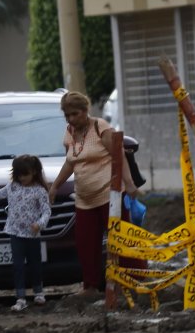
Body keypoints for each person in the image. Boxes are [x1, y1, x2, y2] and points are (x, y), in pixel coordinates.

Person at [48, 91, 142, 295]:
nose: (71, 119)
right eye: (67, 116)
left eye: (75, 114)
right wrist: (55, 186)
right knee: (86, 244)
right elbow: (70, 162)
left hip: (110, 195)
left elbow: (119, 156)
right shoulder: (69, 133)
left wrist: (129, 183)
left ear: (85, 111)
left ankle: (134, 281)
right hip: (84, 199)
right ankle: (91, 286)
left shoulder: (100, 127)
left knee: (121, 239)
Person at [0, 155, 52, 311]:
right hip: (15, 233)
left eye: (25, 174)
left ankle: (38, 292)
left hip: (33, 235)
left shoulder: (40, 191)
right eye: (18, 174)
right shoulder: (12, 187)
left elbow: (46, 211)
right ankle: (20, 297)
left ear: (34, 172)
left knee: (35, 264)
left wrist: (39, 224)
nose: (21, 178)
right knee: (18, 265)